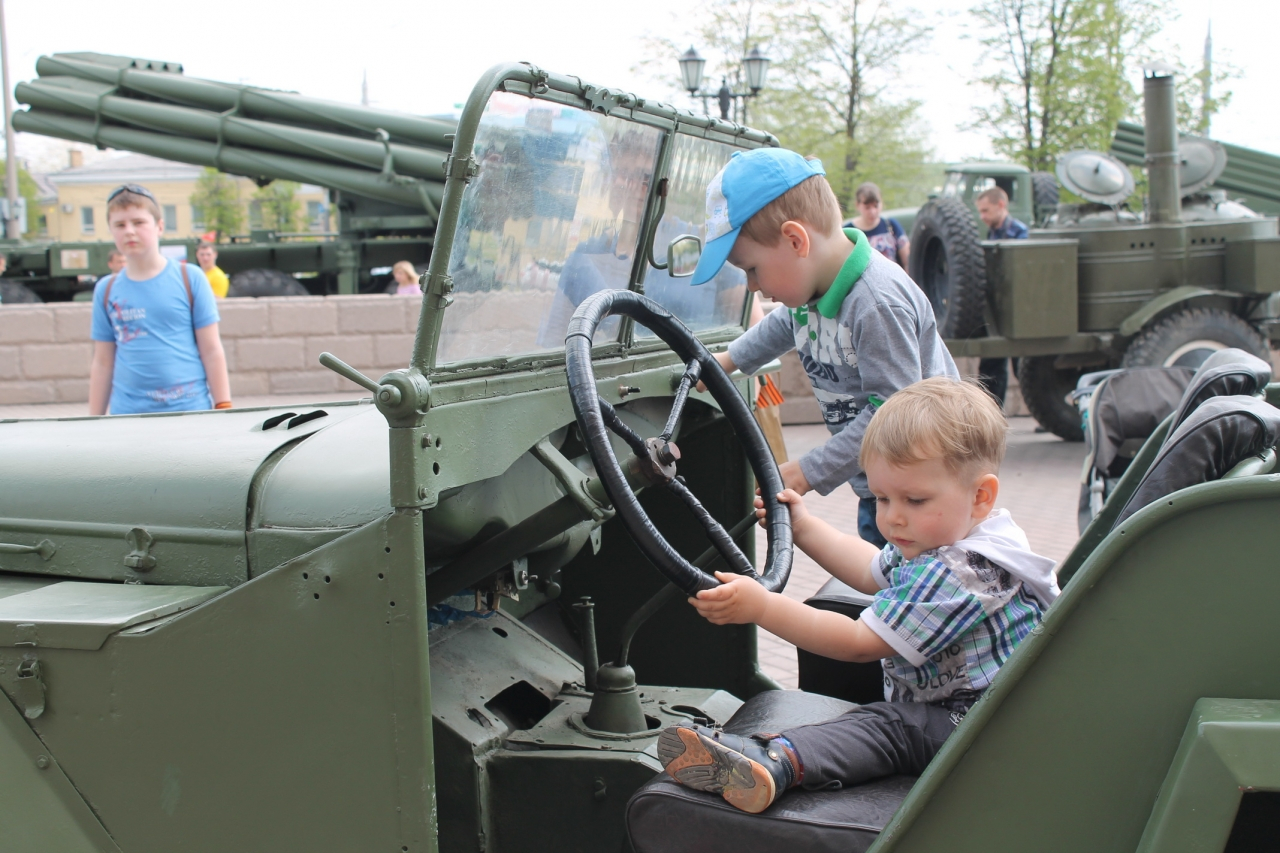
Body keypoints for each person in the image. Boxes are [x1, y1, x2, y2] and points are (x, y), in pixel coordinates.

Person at [658, 377, 1059, 813]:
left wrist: (763, 606)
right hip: (974, 706)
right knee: (892, 717)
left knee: (890, 728)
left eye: (914, 500)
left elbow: (857, 643)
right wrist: (804, 527)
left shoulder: (961, 570)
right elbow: (870, 570)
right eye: (882, 498)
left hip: (984, 726)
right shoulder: (946, 537)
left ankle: (774, 761)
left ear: (980, 496)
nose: (893, 518)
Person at [693, 148, 958, 548]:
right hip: (883, 487)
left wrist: (807, 471)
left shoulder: (875, 304)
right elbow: (785, 324)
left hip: (924, 496)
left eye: (752, 269)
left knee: (902, 583)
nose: (752, 287)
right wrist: (726, 362)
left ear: (795, 240)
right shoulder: (814, 292)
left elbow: (892, 415)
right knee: (878, 573)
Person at [89, 184, 231, 416]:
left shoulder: (190, 278)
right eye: (120, 225)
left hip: (190, 413)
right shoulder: (106, 289)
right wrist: (93, 420)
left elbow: (211, 349)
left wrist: (223, 406)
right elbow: (103, 362)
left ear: (160, 226)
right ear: (111, 230)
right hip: (128, 416)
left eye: (138, 222)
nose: (129, 231)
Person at [974, 186, 1029, 403]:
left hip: (1017, 308)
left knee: (1021, 365)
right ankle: (992, 410)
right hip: (998, 308)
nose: (982, 217)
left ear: (1000, 205)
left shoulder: (1018, 233)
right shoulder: (993, 233)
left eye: (986, 210)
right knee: (991, 365)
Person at [844, 182, 909, 270]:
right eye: (867, 207)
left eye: (876, 206)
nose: (873, 212)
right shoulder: (849, 231)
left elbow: (907, 260)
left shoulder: (891, 226)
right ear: (857, 205)